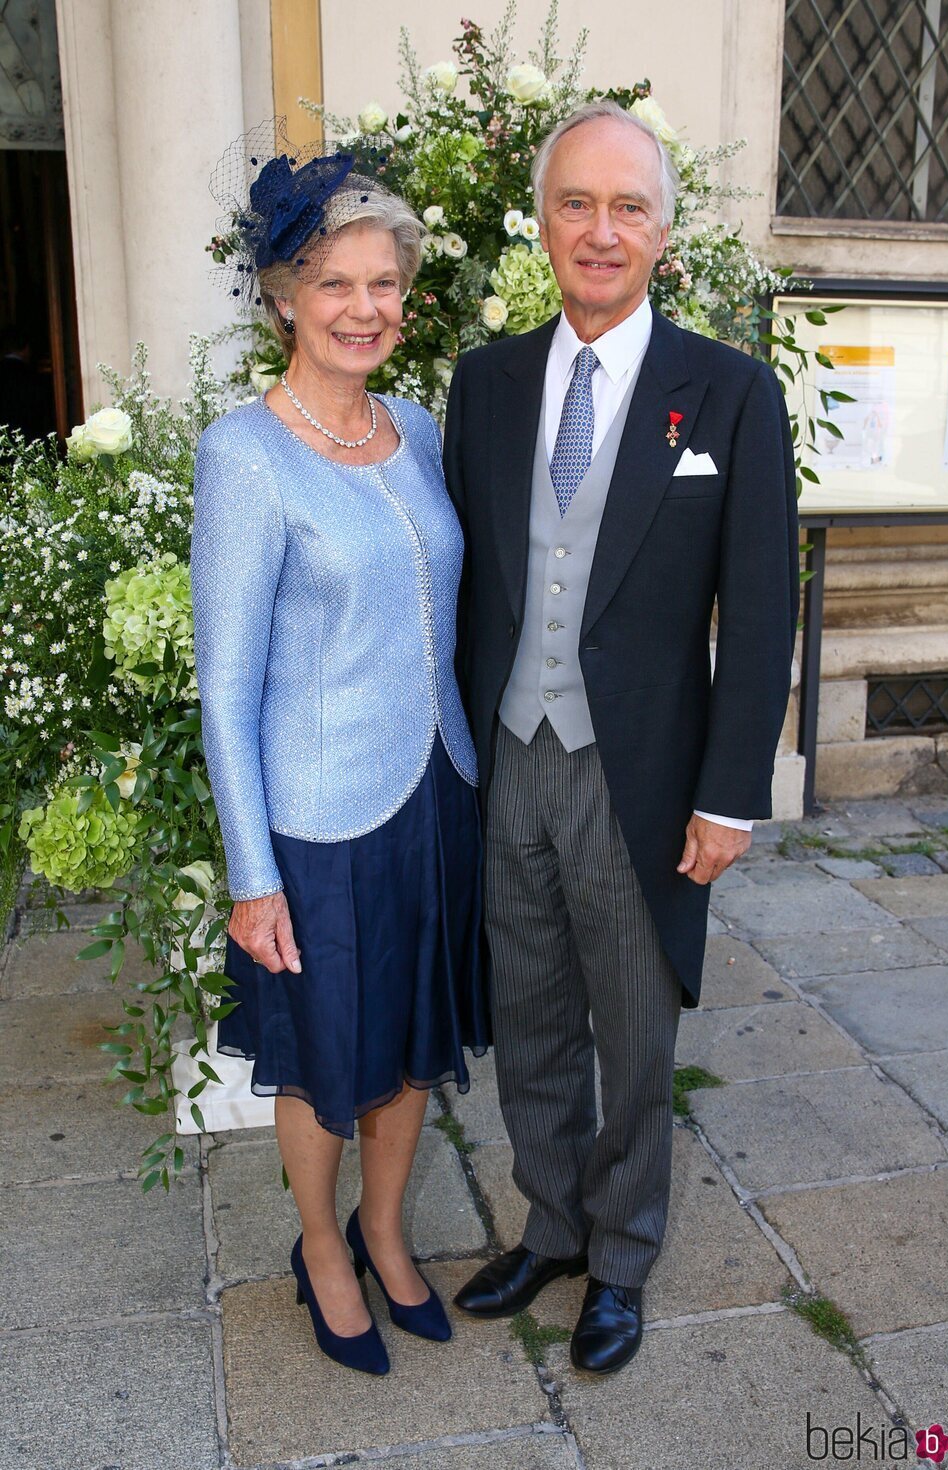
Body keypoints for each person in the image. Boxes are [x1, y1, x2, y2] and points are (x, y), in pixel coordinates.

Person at [444, 99, 799, 1376]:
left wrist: (727, 796)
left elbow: (759, 616)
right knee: (529, 1008)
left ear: (662, 229)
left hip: (639, 770)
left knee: (634, 1030)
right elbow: (469, 576)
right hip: (506, 754)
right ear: (540, 223)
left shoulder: (729, 392)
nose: (600, 231)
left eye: (626, 206)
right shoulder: (482, 384)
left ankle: (625, 1255)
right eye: (575, 204)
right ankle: (549, 1224)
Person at [191, 149, 488, 1377]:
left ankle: (384, 1224)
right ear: (281, 297)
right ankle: (321, 1245)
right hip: (316, 819)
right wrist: (251, 875)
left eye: (384, 284)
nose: (364, 308)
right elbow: (225, 682)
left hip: (435, 788)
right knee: (326, 1054)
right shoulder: (245, 455)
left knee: (411, 1034)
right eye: (334, 285)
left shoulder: (414, 427)